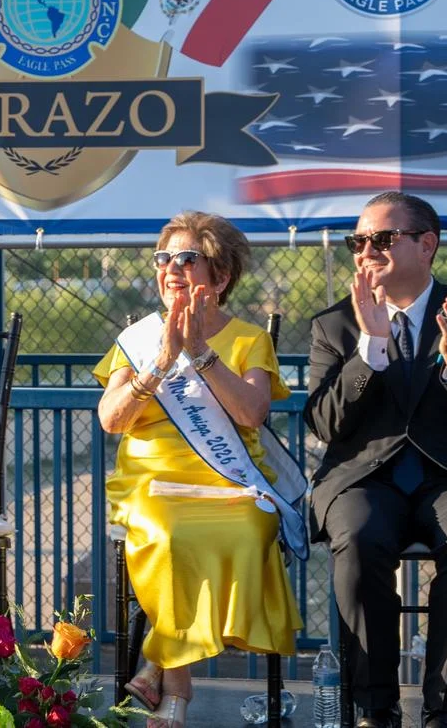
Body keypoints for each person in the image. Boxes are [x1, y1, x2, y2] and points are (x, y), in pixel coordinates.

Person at [94, 211, 301, 728]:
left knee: (251, 528)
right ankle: (178, 693)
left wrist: (201, 353)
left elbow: (252, 413)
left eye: (188, 258)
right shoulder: (139, 340)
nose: (172, 269)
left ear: (221, 276)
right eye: (165, 258)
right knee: (167, 536)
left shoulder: (250, 339)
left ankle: (156, 661)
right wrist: (162, 360)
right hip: (151, 481)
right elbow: (111, 420)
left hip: (228, 480)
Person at [307, 192, 447, 728]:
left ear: (427, 244)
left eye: (382, 239)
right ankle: (376, 708)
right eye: (359, 242)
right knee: (360, 537)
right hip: (363, 478)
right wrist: (370, 347)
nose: (366, 251)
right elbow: (326, 425)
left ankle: (445, 710)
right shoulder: (335, 326)